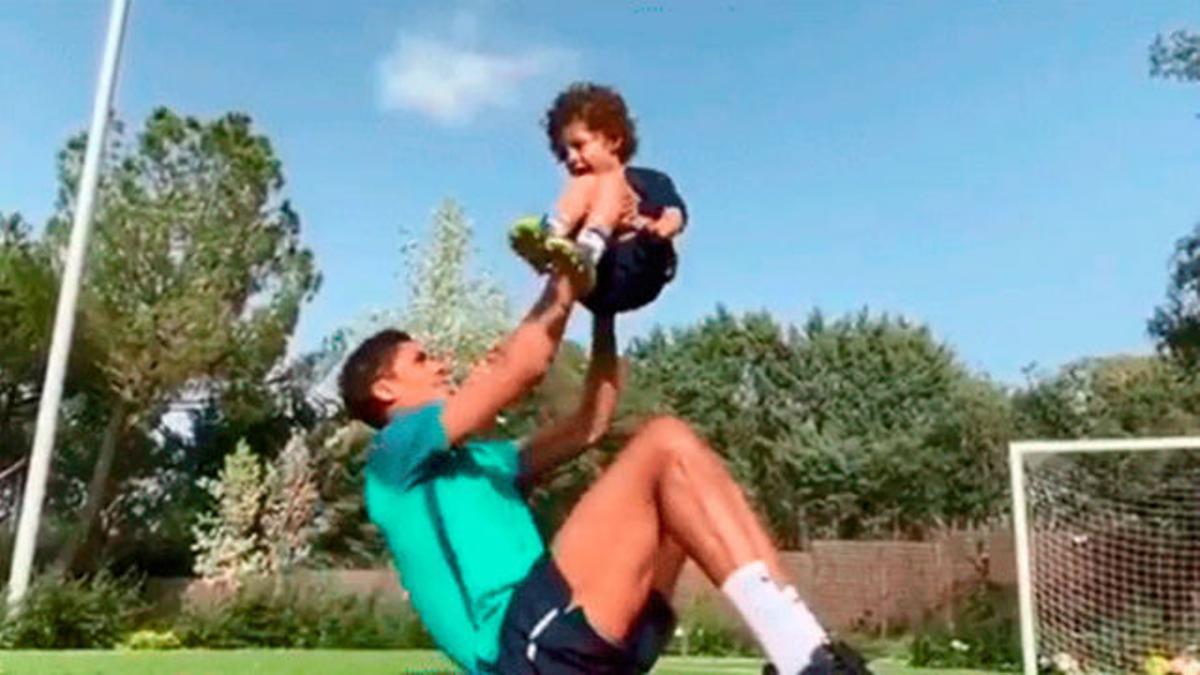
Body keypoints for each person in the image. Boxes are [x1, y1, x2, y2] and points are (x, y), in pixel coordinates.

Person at [338, 273, 868, 673]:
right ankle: (804, 659)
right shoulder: (395, 453)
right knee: (663, 443)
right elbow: (521, 368)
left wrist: (605, 311)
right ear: (385, 391)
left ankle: (803, 647)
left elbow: (592, 423)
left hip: (581, 633)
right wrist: (572, 268)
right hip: (522, 650)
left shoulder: (488, 462)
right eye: (421, 359)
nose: (440, 364)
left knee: (677, 481)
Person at [510, 81, 687, 316]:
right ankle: (554, 235)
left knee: (609, 180)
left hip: (640, 270)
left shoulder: (649, 179)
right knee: (583, 183)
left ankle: (591, 244)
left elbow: (675, 214)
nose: (571, 159)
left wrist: (660, 228)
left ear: (613, 140)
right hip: (596, 285)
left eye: (578, 146)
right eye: (564, 154)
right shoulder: (582, 184)